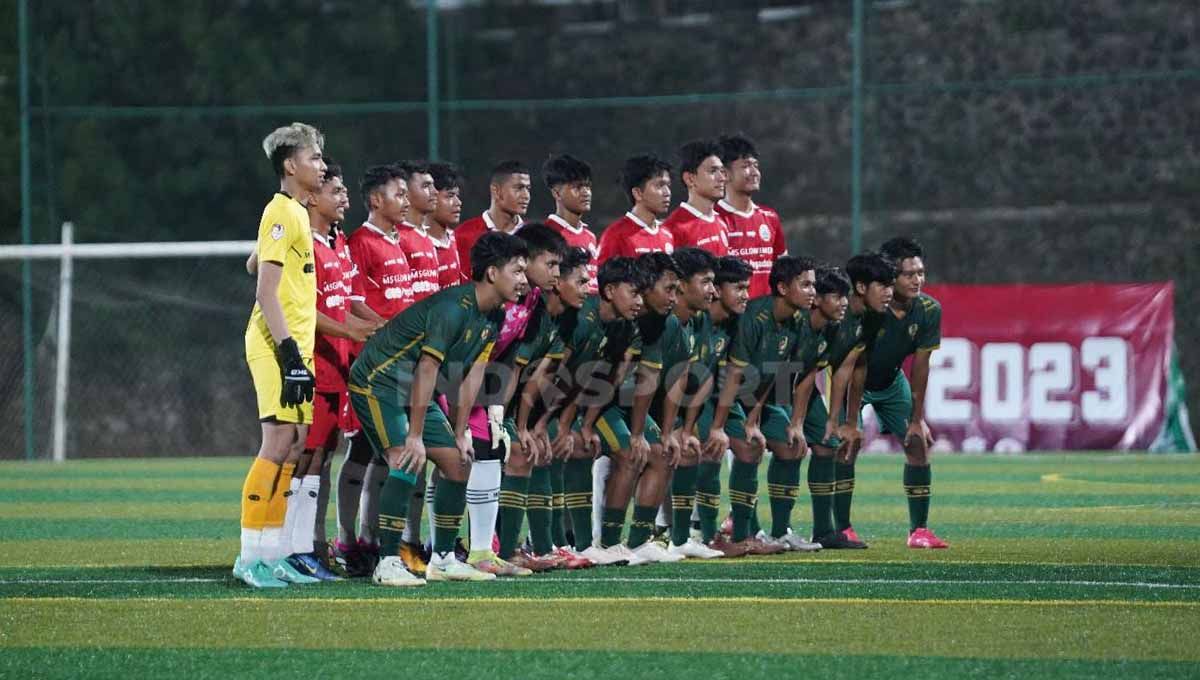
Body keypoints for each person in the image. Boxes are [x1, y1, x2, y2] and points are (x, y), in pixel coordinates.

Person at [349, 232, 530, 586]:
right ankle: (386, 562)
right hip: (379, 380)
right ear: (492, 273)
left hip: (413, 386)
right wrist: (415, 436)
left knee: (458, 463)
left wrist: (460, 432)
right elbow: (427, 370)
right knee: (406, 459)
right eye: (518, 271)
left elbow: (471, 376)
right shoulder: (452, 309)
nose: (524, 280)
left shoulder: (493, 316)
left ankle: (444, 559)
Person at [234, 122, 327, 588]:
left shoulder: (294, 214)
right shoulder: (282, 211)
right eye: (314, 159)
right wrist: (289, 353)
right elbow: (265, 290)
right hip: (275, 343)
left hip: (295, 347)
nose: (322, 166)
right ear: (291, 166)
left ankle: (273, 553)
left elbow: (257, 260)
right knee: (276, 444)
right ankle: (250, 556)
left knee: (294, 444)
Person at [705, 256, 823, 556]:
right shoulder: (753, 318)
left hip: (756, 399)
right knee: (746, 448)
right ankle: (732, 532)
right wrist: (732, 424)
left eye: (814, 285)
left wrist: (767, 419)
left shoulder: (797, 322)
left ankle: (780, 531)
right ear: (783, 288)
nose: (813, 291)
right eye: (806, 284)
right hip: (722, 398)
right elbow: (733, 375)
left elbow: (777, 372)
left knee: (792, 446)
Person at [334, 164, 414, 576]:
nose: (405, 200)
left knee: (387, 452)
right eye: (398, 194)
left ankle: (370, 536)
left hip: (399, 363)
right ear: (376, 200)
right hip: (371, 364)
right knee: (363, 450)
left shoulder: (396, 241)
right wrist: (389, 329)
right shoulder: (361, 242)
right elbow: (352, 301)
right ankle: (346, 540)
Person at [543, 256, 647, 566]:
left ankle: (587, 544)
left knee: (583, 447)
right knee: (559, 448)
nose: (640, 301)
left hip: (572, 402)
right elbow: (553, 376)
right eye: (634, 293)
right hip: (539, 401)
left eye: (643, 294)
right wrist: (555, 425)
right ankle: (549, 542)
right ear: (610, 291)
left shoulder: (624, 326)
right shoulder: (584, 319)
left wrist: (584, 425)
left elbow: (598, 381)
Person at [845, 238, 948, 549]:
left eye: (921, 273)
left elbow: (920, 366)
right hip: (851, 381)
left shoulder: (929, 310)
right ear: (890, 276)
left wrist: (917, 419)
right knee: (844, 446)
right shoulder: (868, 309)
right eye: (908, 274)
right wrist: (849, 421)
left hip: (891, 382)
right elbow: (851, 366)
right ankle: (842, 527)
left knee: (917, 444)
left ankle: (919, 531)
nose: (917, 280)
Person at [499, 246, 595, 571]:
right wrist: (517, 425)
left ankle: (545, 546)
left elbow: (547, 382)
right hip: (491, 398)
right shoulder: (534, 314)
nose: (587, 289)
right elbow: (514, 373)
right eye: (580, 282)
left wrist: (538, 426)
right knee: (521, 452)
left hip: (520, 404)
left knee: (542, 448)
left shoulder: (563, 320)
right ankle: (503, 549)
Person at [658, 248, 725, 559]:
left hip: (675, 409)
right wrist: (671, 429)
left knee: (690, 449)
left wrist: (686, 429)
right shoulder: (665, 323)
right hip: (641, 406)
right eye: (707, 282)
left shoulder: (700, 321)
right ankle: (639, 536)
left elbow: (702, 376)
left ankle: (681, 538)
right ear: (682, 286)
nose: (713, 290)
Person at [691, 256, 752, 547]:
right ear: (717, 288)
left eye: (747, 288)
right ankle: (704, 534)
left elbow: (734, 375)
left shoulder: (737, 321)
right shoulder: (696, 318)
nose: (746, 295)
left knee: (750, 446)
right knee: (709, 451)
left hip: (712, 396)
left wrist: (720, 425)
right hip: (681, 398)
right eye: (739, 288)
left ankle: (742, 533)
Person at [715, 134, 787, 299]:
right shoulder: (715, 218)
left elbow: (783, 269)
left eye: (756, 165)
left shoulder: (770, 217)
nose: (755, 172)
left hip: (766, 314)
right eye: (746, 166)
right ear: (725, 173)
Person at [455, 160, 531, 277]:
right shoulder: (462, 235)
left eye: (528, 189)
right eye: (519, 188)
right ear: (496, 191)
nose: (526, 195)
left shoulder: (533, 237)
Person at [595, 154, 675, 264]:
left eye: (668, 186)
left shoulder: (667, 234)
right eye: (659, 185)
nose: (667, 193)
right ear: (638, 193)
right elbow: (602, 278)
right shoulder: (616, 235)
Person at [542, 154, 599, 292]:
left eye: (588, 186)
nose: (586, 192)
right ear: (557, 193)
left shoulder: (590, 236)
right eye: (578, 187)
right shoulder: (547, 235)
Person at [662, 139, 728, 256]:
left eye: (722, 171)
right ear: (690, 179)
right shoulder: (673, 228)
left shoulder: (721, 222)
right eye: (713, 171)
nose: (722, 178)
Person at [395, 160, 441, 302]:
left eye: (433, 186)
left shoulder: (425, 236)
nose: (435, 192)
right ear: (405, 192)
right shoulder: (397, 237)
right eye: (426, 186)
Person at [427, 162, 464, 289]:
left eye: (457, 195)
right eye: (450, 196)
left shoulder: (456, 239)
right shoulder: (408, 244)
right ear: (429, 197)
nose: (458, 202)